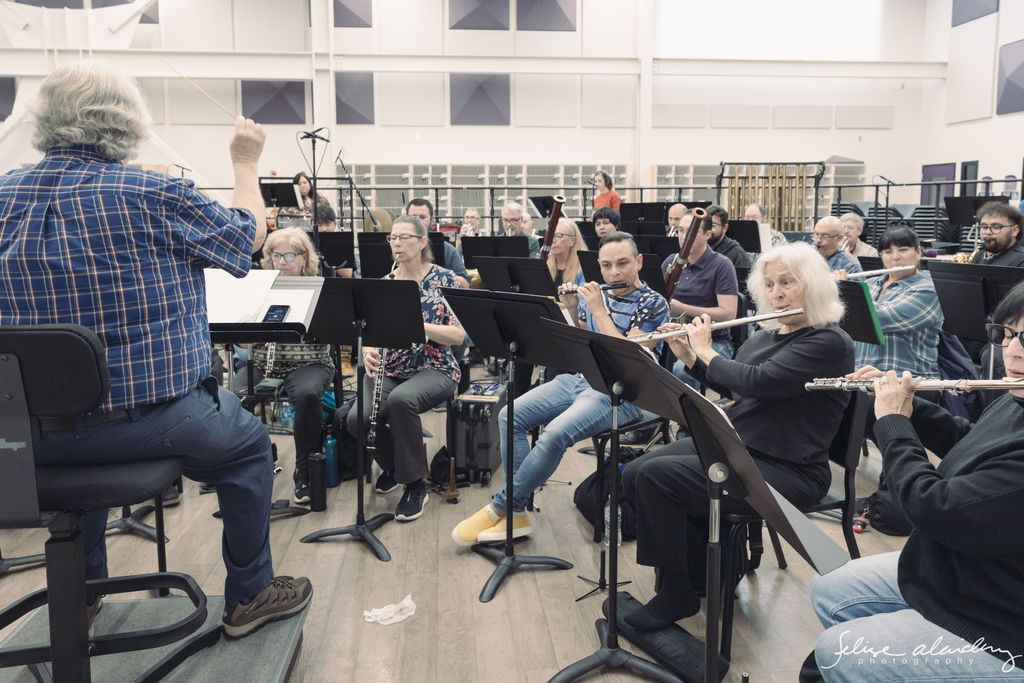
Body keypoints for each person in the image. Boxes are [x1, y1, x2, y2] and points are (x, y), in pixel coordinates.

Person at [0, 60, 311, 637]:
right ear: (126, 122)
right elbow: (247, 236)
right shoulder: (153, 193)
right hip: (145, 420)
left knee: (73, 429)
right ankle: (250, 597)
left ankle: (82, 597)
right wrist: (246, 162)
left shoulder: (3, 195)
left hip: (21, 435)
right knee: (248, 446)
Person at [622, 242, 853, 632]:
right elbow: (735, 387)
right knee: (634, 472)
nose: (777, 293)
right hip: (740, 446)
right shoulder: (766, 336)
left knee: (657, 478)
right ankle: (702, 575)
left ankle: (676, 593)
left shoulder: (827, 342)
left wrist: (706, 349)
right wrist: (689, 355)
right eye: (770, 285)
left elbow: (758, 382)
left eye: (788, 283)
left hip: (788, 468)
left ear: (812, 285)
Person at [808, 284, 1024, 680]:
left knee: (834, 650)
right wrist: (908, 406)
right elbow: (972, 443)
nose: (1012, 351)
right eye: (1005, 334)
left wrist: (893, 423)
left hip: (1002, 621)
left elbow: (934, 507)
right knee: (828, 589)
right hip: (972, 572)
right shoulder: (1017, 397)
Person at [452, 232, 669, 546]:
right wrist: (570, 309)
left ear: (638, 262)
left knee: (554, 434)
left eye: (622, 264)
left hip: (621, 392)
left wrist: (597, 311)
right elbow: (579, 339)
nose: (614, 273)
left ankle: (501, 507)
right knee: (510, 415)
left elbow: (626, 358)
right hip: (581, 379)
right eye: (606, 265)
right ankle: (517, 513)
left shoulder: (654, 303)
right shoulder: (598, 294)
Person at [348, 215, 464, 521]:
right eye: (393, 238)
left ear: (422, 242)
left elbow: (458, 335)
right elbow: (370, 333)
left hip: (436, 367)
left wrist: (420, 326)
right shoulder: (384, 284)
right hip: (391, 367)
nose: (396, 244)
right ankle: (395, 467)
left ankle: (415, 485)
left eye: (404, 238)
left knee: (402, 400)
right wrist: (368, 351)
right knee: (356, 419)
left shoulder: (445, 280)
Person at [249, 229, 337, 504]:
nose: (282, 262)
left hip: (309, 362)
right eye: (276, 255)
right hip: (264, 362)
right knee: (229, 397)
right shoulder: (259, 287)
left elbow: (334, 333)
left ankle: (305, 469)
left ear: (304, 257)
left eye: (289, 256)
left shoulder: (320, 287)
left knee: (308, 394)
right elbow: (242, 341)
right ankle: (250, 462)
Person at [840, 226, 942, 378]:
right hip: (861, 376)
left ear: (918, 252)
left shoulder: (930, 289)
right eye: (888, 252)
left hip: (907, 380)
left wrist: (843, 289)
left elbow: (879, 319)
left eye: (903, 250)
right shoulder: (870, 284)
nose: (895, 257)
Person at [660, 213, 739, 387]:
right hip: (673, 336)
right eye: (680, 231)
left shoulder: (722, 265)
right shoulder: (671, 262)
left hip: (712, 341)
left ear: (707, 234)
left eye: (691, 232)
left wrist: (681, 308)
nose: (683, 237)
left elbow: (728, 314)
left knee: (682, 371)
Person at [404, 198, 471, 288]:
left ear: (432, 220)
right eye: (413, 217)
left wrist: (437, 275)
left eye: (422, 217)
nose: (417, 222)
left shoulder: (447, 249)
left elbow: (465, 284)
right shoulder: (397, 247)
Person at [970, 201, 1024, 266]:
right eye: (984, 227)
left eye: (996, 227)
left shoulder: (1021, 260)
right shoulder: (979, 255)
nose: (988, 232)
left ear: (1014, 231)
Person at [705, 204, 752, 271]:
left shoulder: (737, 254)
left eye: (713, 225)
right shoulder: (698, 249)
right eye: (705, 224)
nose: (708, 230)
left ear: (725, 228)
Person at [547, 217, 588, 289]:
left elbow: (584, 295)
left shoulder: (584, 269)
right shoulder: (546, 265)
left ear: (572, 241)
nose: (553, 240)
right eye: (551, 235)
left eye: (559, 236)